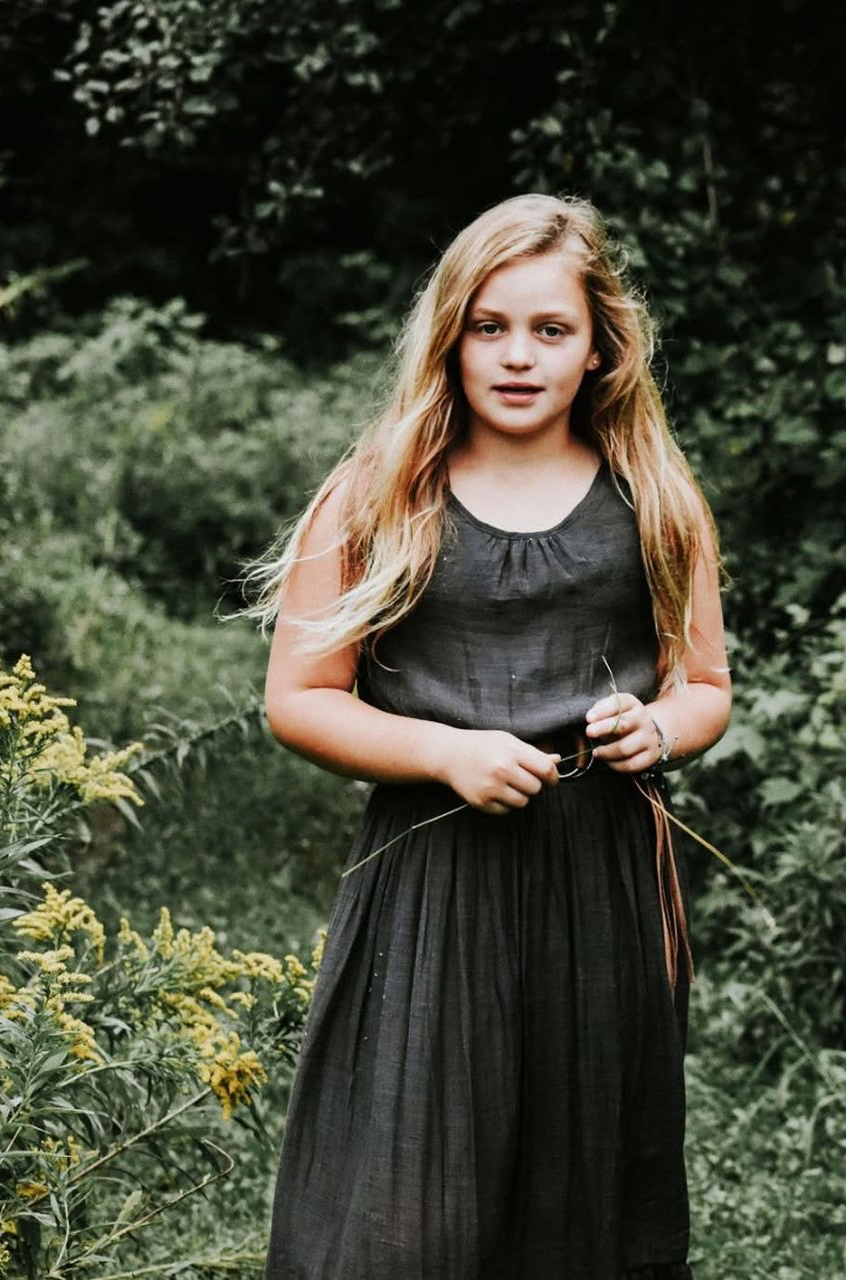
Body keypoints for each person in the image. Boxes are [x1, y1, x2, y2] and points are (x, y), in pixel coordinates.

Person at [241, 192, 731, 1278]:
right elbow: (300, 698)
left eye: (551, 329)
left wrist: (659, 727)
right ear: (450, 337)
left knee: (581, 1186)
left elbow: (704, 684)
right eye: (489, 326)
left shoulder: (654, 497)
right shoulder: (379, 493)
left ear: (599, 346)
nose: (518, 356)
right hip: (434, 884)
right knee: (414, 1196)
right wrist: (444, 752)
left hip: (603, 884)